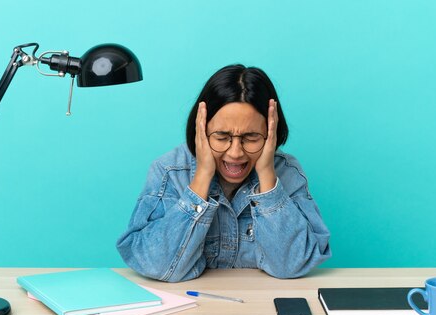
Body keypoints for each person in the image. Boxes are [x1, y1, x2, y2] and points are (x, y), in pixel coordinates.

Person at [117, 65, 331, 282]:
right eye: (221, 137)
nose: (235, 153)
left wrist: (267, 175)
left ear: (270, 134)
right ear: (201, 130)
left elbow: (291, 266)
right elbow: (155, 265)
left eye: (251, 137)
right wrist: (202, 176)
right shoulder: (170, 171)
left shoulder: (287, 173)